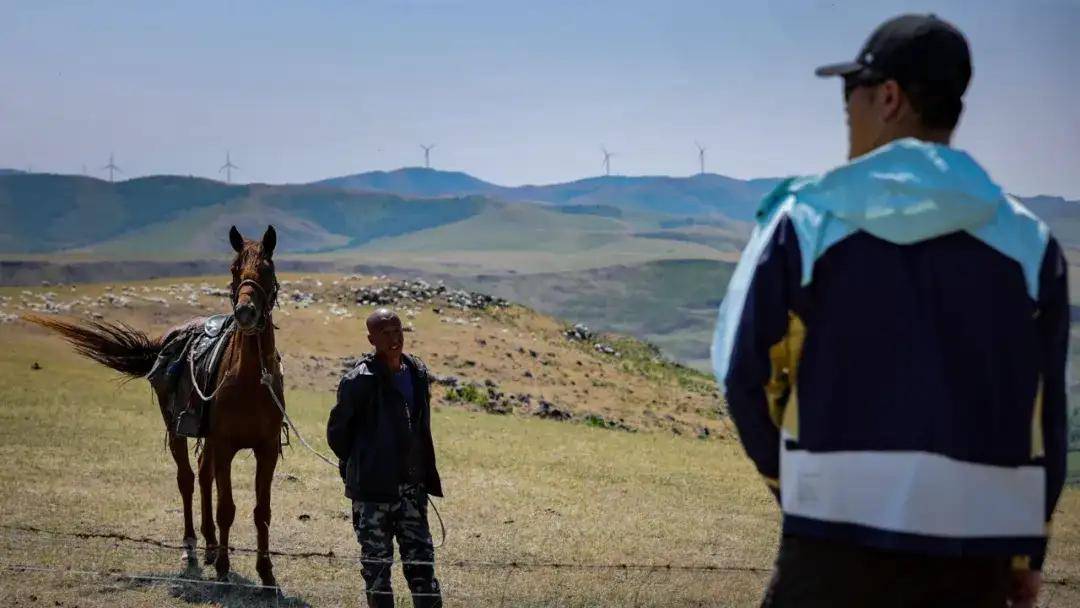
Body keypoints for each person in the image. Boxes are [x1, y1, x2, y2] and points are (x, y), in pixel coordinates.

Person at [711, 14, 1067, 608]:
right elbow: (1046, 414)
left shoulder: (805, 220)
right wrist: (1026, 555)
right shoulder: (1032, 244)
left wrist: (795, 484)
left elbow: (741, 370)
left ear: (889, 97)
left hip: (829, 549)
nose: (846, 114)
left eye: (848, 96)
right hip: (972, 564)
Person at [327, 308, 443, 608]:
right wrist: (364, 465)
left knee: (422, 567)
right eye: (385, 333)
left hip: (411, 490)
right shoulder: (357, 381)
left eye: (398, 331)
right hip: (372, 493)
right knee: (377, 571)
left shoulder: (416, 372)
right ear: (371, 339)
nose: (394, 338)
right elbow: (338, 435)